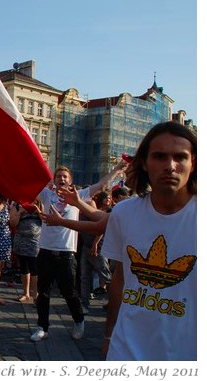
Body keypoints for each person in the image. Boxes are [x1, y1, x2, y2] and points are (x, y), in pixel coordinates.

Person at [101, 121, 196, 360]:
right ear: (144, 162)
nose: (170, 166)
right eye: (160, 156)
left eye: (180, 157)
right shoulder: (123, 213)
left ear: (193, 163)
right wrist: (109, 335)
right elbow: (120, 279)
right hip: (126, 351)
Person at [29, 161, 126, 343]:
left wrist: (117, 169)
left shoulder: (78, 196)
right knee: (43, 293)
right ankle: (42, 327)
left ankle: (79, 320)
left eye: (65, 176)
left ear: (70, 181)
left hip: (66, 253)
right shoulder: (46, 195)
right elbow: (28, 182)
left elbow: (102, 185)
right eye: (59, 176)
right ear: (55, 180)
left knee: (69, 292)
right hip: (46, 251)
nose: (62, 179)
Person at [9, 201, 41, 303]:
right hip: (21, 241)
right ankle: (26, 293)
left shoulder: (40, 203)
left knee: (35, 267)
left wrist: (39, 211)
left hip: (36, 242)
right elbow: (12, 223)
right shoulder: (17, 205)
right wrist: (20, 212)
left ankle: (36, 293)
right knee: (24, 267)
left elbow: (47, 221)